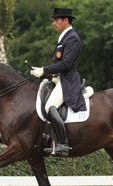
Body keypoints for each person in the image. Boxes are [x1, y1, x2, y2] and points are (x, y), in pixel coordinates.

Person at [30, 7, 86, 157]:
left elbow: (66, 64)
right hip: (59, 78)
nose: (54, 23)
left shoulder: (72, 38)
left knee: (50, 106)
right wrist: (43, 72)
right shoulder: (64, 37)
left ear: (65, 20)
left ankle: (63, 144)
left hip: (67, 80)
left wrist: (44, 70)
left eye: (56, 20)